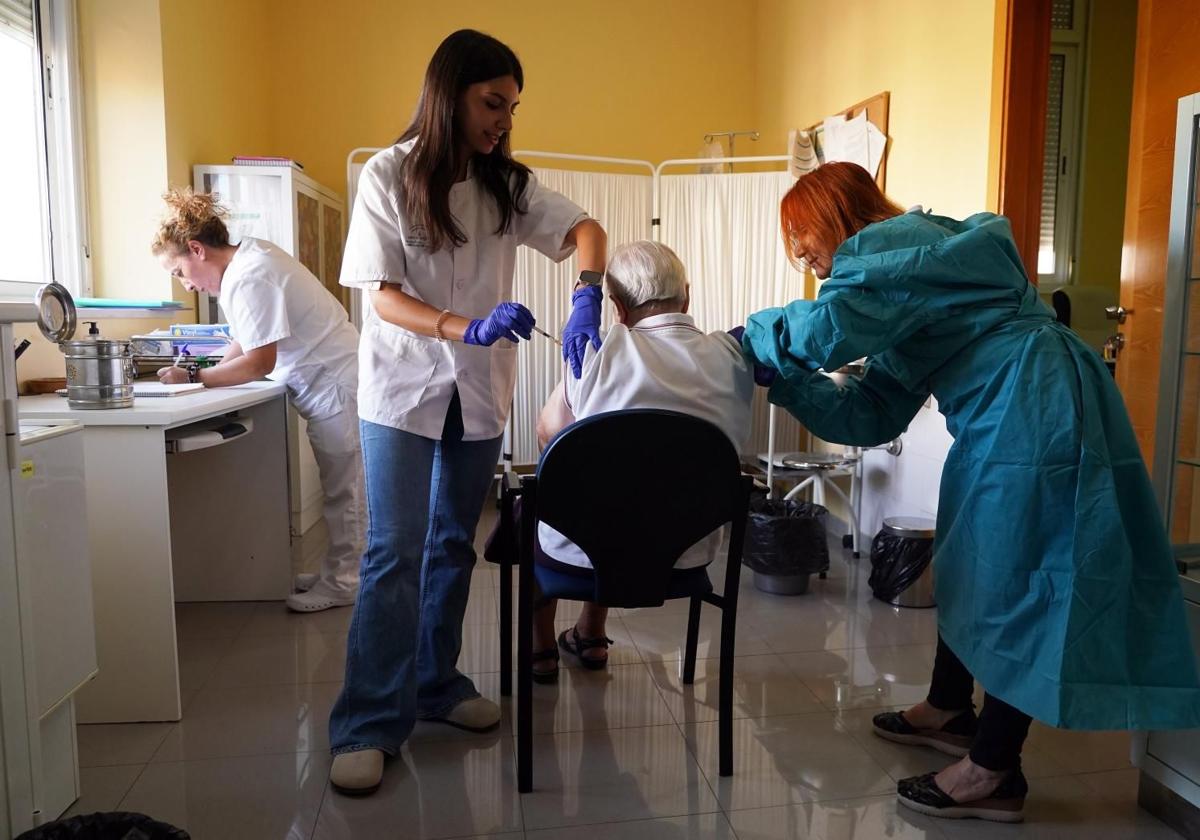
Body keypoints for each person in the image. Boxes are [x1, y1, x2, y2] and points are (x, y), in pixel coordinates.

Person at [739, 161, 1200, 823]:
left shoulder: (896, 251)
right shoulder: (905, 282)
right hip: (1006, 412)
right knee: (968, 561)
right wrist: (778, 380)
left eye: (810, 249)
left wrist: (753, 339)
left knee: (1021, 578)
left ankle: (994, 769)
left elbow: (825, 329)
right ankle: (950, 707)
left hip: (1038, 407)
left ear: (835, 219)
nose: (814, 269)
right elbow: (871, 413)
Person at [329, 29, 607, 796]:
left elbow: (586, 230)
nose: (503, 120)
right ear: (449, 93)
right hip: (402, 390)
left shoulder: (504, 185)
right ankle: (366, 722)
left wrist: (586, 292)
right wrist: (464, 326)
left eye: (512, 107)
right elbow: (381, 295)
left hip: (477, 395)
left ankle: (436, 684)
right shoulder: (387, 175)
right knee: (395, 550)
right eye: (492, 102)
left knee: (455, 543)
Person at [521, 240, 753, 680]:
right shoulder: (732, 355)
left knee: (557, 504)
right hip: (684, 553)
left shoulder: (592, 352)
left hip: (584, 554)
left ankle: (541, 648)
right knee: (633, 497)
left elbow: (548, 435)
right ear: (687, 294)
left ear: (616, 307)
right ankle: (590, 635)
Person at [151, 188, 363, 613]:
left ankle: (344, 582)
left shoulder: (250, 275)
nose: (186, 283)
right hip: (333, 384)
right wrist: (201, 372)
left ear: (197, 249)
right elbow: (246, 339)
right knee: (346, 490)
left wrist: (196, 375)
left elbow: (258, 361)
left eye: (179, 271)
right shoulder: (251, 257)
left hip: (337, 388)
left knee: (347, 493)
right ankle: (337, 572)